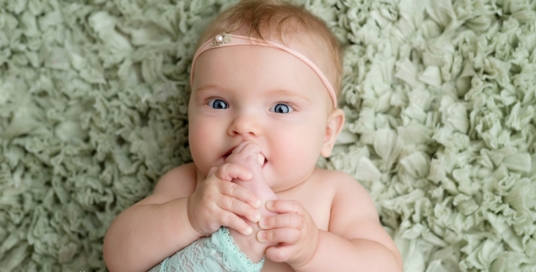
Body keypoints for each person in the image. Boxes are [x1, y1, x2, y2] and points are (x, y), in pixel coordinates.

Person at [103, 0, 403, 271]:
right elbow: (118, 257)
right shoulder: (190, 184)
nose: (244, 125)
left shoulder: (335, 194)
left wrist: (314, 249)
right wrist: (190, 214)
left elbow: (385, 267)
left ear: (327, 133)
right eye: (218, 103)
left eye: (281, 108)